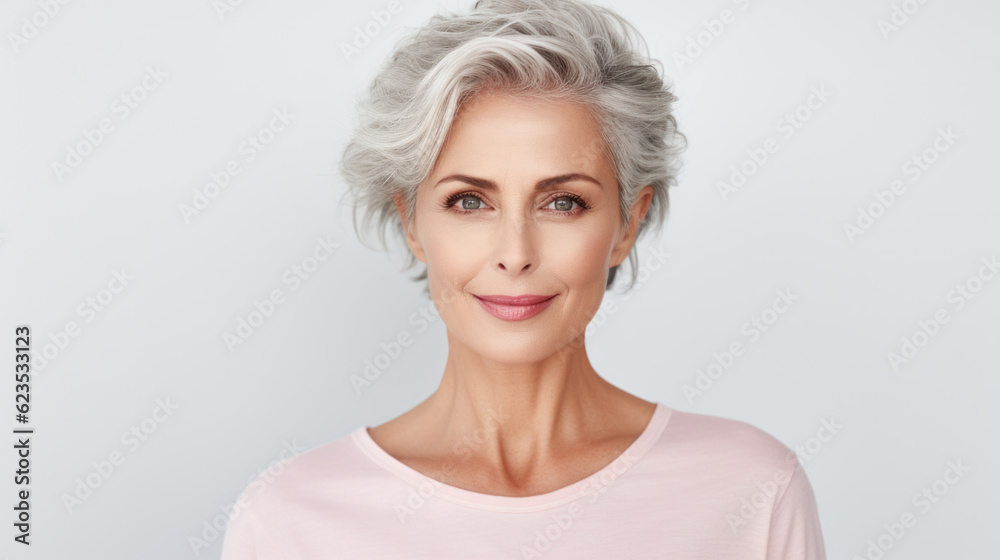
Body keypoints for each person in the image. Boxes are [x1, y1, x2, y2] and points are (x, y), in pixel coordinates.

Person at [221, 1, 827, 557]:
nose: (515, 254)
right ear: (410, 220)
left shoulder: (750, 490)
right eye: (468, 202)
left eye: (562, 203)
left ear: (627, 224)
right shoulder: (290, 519)